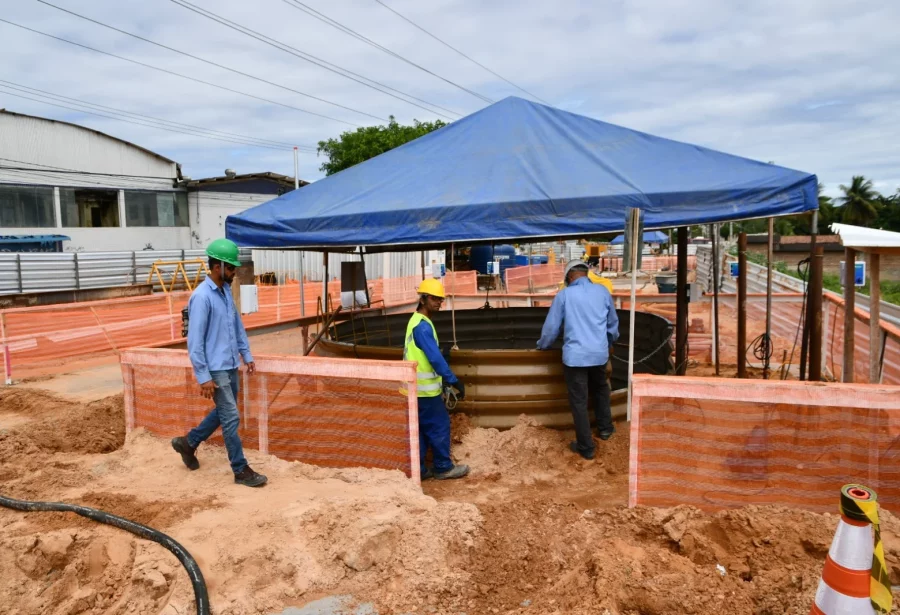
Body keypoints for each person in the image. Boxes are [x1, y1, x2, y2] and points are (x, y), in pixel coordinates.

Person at [171, 238, 267, 488]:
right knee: (231, 417)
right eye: (232, 268)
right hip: (215, 368)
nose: (235, 272)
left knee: (225, 412)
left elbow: (237, 326)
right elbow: (195, 341)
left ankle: (189, 442)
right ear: (218, 267)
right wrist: (203, 376)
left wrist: (246, 355)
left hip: (229, 364)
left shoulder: (224, 292)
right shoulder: (201, 298)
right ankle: (240, 469)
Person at [537, 259, 619, 460]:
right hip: (599, 355)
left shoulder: (564, 295)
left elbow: (551, 329)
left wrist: (543, 346)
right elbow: (613, 325)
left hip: (575, 358)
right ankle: (606, 429)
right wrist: (607, 343)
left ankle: (586, 447)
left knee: (579, 400)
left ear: (570, 276)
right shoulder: (602, 292)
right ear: (585, 274)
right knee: (601, 389)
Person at [404, 278, 470, 480]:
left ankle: (420, 470)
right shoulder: (423, 326)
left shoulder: (415, 321)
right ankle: (443, 467)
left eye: (440, 299)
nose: (438, 302)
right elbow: (433, 358)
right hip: (425, 391)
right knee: (439, 425)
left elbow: (426, 354)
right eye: (434, 298)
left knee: (422, 429)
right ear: (423, 299)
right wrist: (452, 379)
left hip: (414, 388)